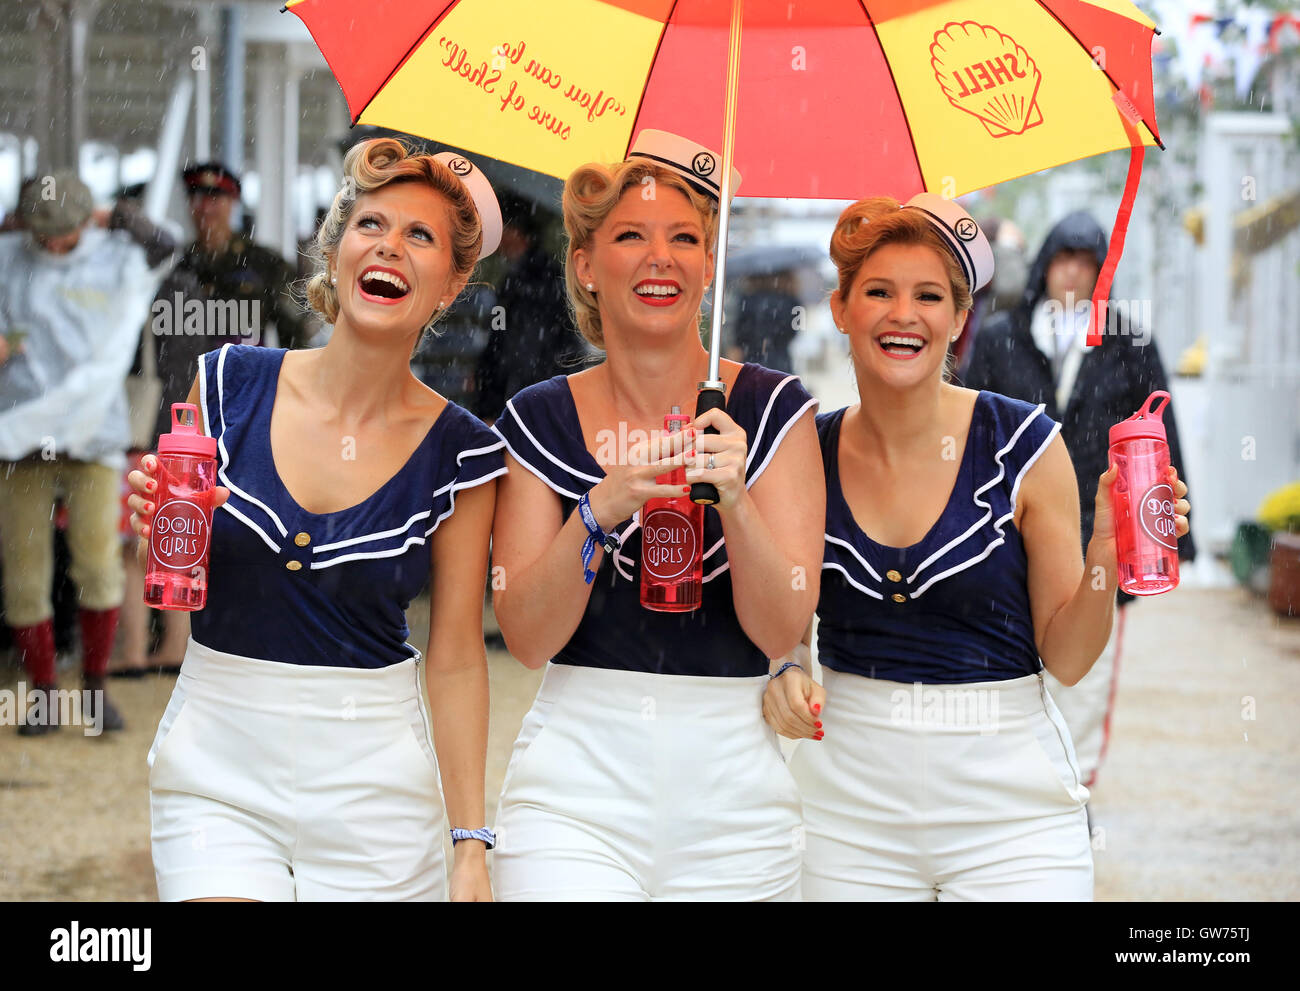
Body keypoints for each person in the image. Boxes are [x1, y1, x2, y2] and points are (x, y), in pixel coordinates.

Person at [762, 195, 1190, 900]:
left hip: (1013, 820)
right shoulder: (808, 451)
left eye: (929, 295)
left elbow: (1070, 658)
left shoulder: (1025, 447)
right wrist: (786, 665)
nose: (904, 313)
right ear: (841, 308)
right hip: (845, 817)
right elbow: (783, 615)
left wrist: (1106, 553)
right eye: (879, 291)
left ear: (960, 319)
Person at [126, 139, 505, 901]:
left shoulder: (464, 452)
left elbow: (459, 655)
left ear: (451, 285)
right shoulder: (227, 382)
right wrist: (161, 529)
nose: (389, 246)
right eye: (372, 223)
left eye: (420, 236)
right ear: (336, 252)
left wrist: (470, 844)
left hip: (376, 783)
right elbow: (181, 570)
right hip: (218, 764)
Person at [489, 130, 824, 901]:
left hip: (737, 793)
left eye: (685, 238)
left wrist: (734, 499)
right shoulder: (536, 420)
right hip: (572, 790)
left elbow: (782, 628)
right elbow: (530, 638)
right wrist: (599, 509)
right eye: (630, 235)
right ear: (585, 264)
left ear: (710, 263)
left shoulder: (776, 412)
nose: (660, 258)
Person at [961, 210, 1196, 790]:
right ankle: (1011, 780)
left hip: (1105, 528)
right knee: (1009, 653)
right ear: (1045, 265)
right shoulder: (1000, 338)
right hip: (1008, 527)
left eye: (1087, 263)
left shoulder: (1129, 341)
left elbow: (1161, 432)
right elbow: (963, 422)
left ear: (1104, 271)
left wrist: (1172, 536)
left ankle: (1074, 784)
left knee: (1087, 663)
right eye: (1064, 260)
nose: (1073, 275)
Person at [0, 170, 177, 734]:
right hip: (20, 438)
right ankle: (46, 695)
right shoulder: (9, 256)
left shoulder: (115, 250)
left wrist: (120, 216)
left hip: (95, 435)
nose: (54, 243)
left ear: (87, 220)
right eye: (42, 231)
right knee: (25, 574)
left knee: (98, 562)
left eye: (65, 230)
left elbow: (168, 245)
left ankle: (96, 690)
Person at [111, 182, 211, 678]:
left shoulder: (133, 288)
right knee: (179, 544)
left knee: (134, 549)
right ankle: (172, 647)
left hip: (137, 430)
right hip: (183, 434)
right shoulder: (187, 287)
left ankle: (134, 651)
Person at [472, 190, 585, 421]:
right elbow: (501, 333)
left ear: (514, 232)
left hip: (526, 400)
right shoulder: (523, 278)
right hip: (532, 397)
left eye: (500, 229)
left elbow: (518, 346)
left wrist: (493, 402)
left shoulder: (532, 281)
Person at [176, 162, 312, 351]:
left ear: (232, 202)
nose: (205, 208)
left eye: (214, 198)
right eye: (198, 198)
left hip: (245, 376)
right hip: (188, 378)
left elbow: (297, 331)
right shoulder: (177, 263)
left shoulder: (263, 263)